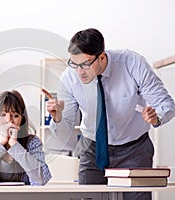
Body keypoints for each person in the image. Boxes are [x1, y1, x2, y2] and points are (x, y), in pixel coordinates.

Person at [46, 28, 175, 199]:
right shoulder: (69, 78)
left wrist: (157, 117)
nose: (79, 72)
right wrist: (58, 118)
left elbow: (166, 104)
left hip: (134, 148)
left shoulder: (132, 64)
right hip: (92, 148)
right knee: (89, 197)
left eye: (85, 64)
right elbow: (63, 132)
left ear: (102, 57)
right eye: (74, 64)